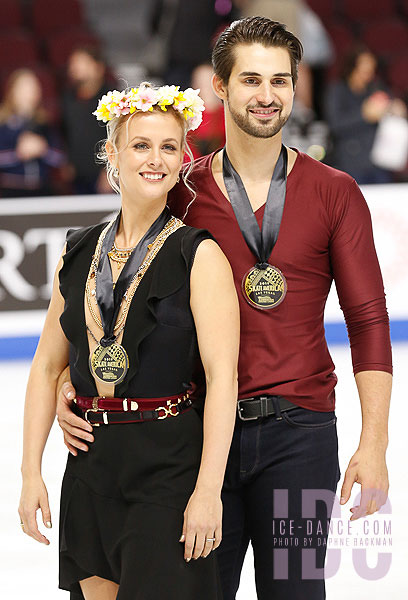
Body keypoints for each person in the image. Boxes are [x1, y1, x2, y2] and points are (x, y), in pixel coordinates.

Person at [56, 17, 393, 600]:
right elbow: (118, 294)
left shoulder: (335, 192)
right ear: (220, 86)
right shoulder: (181, 191)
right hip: (195, 439)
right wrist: (72, 378)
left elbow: (367, 321)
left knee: (294, 594)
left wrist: (375, 443)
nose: (267, 96)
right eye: (251, 80)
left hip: (301, 435)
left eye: (281, 81)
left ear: (295, 88)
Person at [18, 83, 240, 600]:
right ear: (113, 154)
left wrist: (208, 490)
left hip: (168, 469)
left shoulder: (197, 254)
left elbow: (223, 378)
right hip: (91, 465)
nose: (155, 159)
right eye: (140, 145)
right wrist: (31, 472)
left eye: (168, 147)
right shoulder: (77, 252)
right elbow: (45, 367)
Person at [325, 45, 406, 184]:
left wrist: (395, 108)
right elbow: (335, 125)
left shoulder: (375, 87)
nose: (366, 74)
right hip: (350, 162)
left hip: (378, 161)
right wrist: (364, 115)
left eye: (370, 70)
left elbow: (392, 103)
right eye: (362, 70)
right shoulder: (337, 91)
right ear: (352, 68)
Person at [0, 68, 65, 197]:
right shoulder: (4, 123)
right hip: (11, 188)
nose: (30, 92)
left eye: (34, 87)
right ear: (13, 91)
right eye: (25, 87)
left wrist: (42, 149)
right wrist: (18, 154)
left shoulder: (44, 123)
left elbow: (60, 158)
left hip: (41, 188)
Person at [62, 46, 114, 194]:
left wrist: (110, 171)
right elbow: (65, 134)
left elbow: (121, 138)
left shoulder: (112, 100)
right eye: (73, 64)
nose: (75, 68)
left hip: (104, 177)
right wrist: (68, 162)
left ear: (98, 67)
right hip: (77, 176)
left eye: (82, 63)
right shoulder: (68, 99)